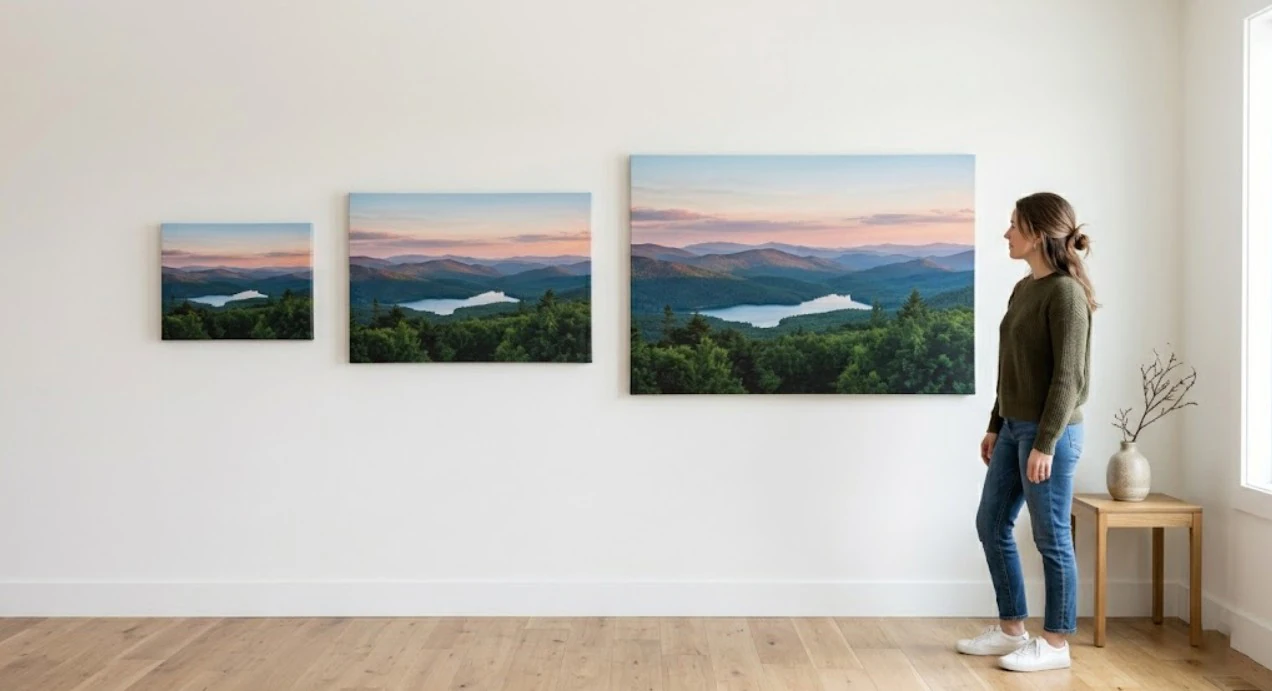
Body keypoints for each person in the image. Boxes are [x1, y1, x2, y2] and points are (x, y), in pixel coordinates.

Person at [956, 192, 1096, 672]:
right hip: (1015, 428)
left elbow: (1068, 378)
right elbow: (1010, 368)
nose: (1006, 233)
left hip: (1048, 434)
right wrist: (997, 424)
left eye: (1014, 225)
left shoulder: (1065, 294)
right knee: (991, 523)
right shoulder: (1024, 289)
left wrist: (1046, 442)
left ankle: (1056, 643)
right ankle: (1012, 628)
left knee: (1051, 535)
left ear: (1037, 233)